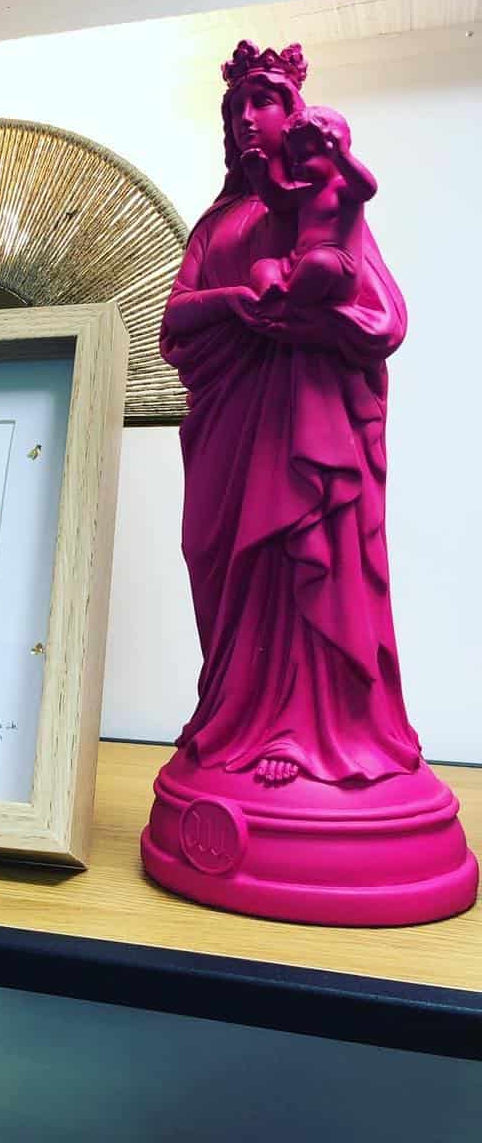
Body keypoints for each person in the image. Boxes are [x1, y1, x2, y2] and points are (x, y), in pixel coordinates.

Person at [160, 42, 420, 787]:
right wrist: (235, 302)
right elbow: (174, 323)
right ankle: (229, 712)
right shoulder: (214, 226)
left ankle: (301, 731)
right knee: (216, 557)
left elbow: (384, 317)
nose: (247, 118)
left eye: (263, 101)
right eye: (236, 107)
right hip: (228, 426)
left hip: (305, 423)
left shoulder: (319, 198)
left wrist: (306, 322)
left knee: (298, 555)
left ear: (295, 113)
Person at [245, 104, 377, 305]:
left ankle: (289, 303)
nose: (296, 166)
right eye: (293, 160)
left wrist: (343, 157)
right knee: (263, 267)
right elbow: (277, 202)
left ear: (331, 150)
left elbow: (368, 189)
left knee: (319, 262)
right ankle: (274, 292)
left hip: (339, 265)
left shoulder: (342, 187)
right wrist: (259, 177)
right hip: (296, 263)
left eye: (305, 157)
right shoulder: (306, 192)